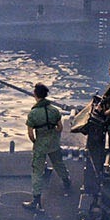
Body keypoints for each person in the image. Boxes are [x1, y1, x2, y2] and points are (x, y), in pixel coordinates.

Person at [22, 83, 70, 212]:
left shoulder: (33, 113)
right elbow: (60, 128)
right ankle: (66, 181)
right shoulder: (54, 110)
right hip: (53, 142)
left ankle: (36, 200)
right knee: (58, 163)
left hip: (40, 143)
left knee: (37, 171)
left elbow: (30, 133)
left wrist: (36, 142)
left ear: (35, 95)